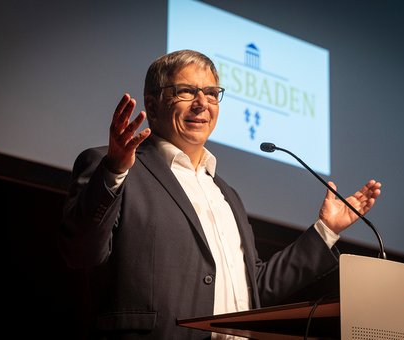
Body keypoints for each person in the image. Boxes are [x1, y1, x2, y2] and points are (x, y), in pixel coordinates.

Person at [59, 49, 381, 339]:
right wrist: (114, 171)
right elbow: (81, 253)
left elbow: (257, 288)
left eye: (212, 93)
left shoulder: (226, 195)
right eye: (186, 91)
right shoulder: (115, 167)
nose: (202, 103)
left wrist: (326, 231)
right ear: (153, 105)